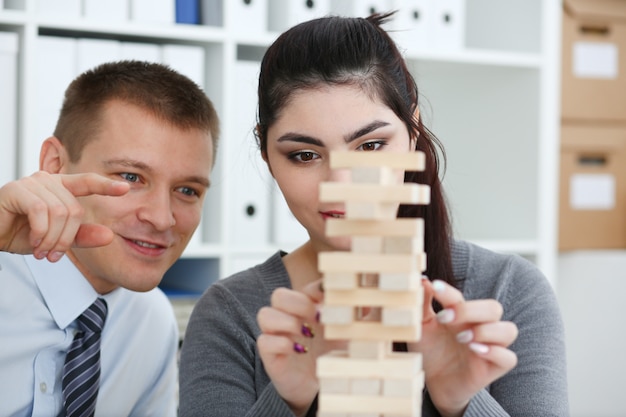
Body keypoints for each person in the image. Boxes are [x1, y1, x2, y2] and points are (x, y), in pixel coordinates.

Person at [178, 13, 568, 417]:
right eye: (305, 155)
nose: (341, 181)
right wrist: (287, 400)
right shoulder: (231, 315)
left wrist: (462, 402)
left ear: (412, 131)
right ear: (268, 157)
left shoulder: (509, 290)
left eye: (370, 146)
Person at [0, 60, 219, 416]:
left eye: (187, 190)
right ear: (54, 164)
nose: (162, 218)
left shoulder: (151, 321)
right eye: (131, 177)